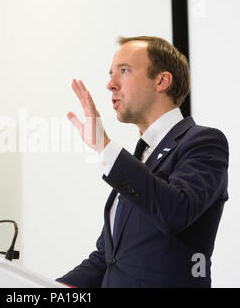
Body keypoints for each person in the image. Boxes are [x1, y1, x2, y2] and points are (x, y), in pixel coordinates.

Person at [56, 36, 229, 288]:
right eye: (110, 74)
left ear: (162, 81)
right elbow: (107, 259)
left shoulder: (203, 142)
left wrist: (104, 146)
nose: (110, 84)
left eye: (124, 71)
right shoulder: (137, 161)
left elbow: (176, 211)